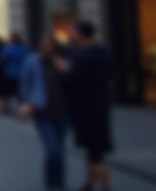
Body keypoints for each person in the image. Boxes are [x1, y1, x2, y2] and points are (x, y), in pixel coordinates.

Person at [56, 21, 114, 191]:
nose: (70, 35)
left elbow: (72, 80)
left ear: (80, 33)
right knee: (93, 150)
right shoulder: (104, 52)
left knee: (95, 152)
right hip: (100, 105)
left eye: (72, 32)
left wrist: (63, 70)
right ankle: (89, 183)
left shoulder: (82, 55)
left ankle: (105, 185)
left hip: (85, 107)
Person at [20, 34, 68, 191]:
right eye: (45, 44)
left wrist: (66, 69)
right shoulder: (32, 61)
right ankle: (50, 182)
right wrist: (25, 102)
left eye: (50, 44)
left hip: (62, 111)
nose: (48, 47)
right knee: (53, 148)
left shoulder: (61, 61)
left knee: (59, 149)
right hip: (42, 110)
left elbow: (72, 82)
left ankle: (58, 181)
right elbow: (25, 83)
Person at [0, 32, 31, 112]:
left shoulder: (8, 49)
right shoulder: (25, 48)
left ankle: (4, 108)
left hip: (10, 74)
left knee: (6, 93)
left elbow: (2, 60)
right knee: (20, 93)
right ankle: (21, 110)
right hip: (22, 74)